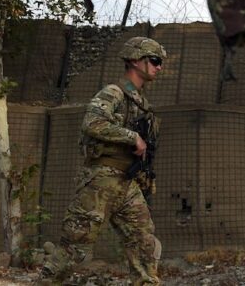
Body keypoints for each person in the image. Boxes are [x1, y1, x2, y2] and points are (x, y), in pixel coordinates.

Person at [40, 37, 166, 285]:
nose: (159, 67)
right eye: (154, 60)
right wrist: (132, 137)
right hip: (101, 180)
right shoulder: (114, 92)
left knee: (144, 242)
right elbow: (93, 124)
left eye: (159, 62)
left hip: (126, 182)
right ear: (134, 60)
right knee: (76, 245)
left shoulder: (140, 102)